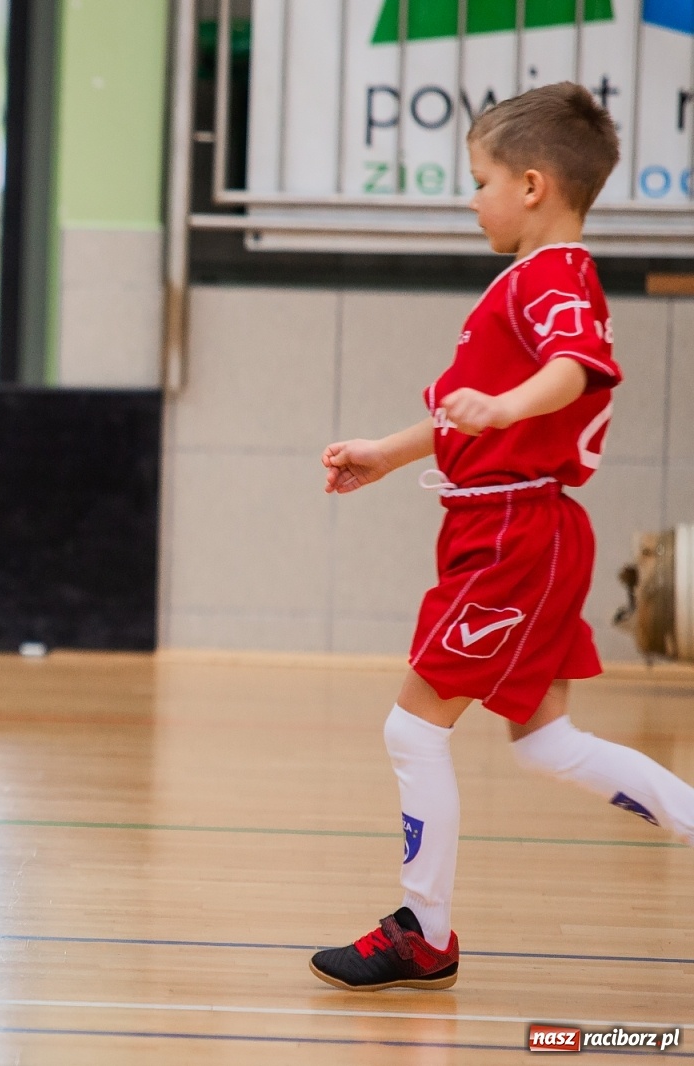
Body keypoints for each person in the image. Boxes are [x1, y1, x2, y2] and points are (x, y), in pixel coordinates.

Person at [309, 82, 694, 991]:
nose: (470, 198)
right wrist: (390, 453)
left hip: (515, 533)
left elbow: (575, 370)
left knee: (413, 728)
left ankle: (424, 932)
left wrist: (512, 402)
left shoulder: (556, 276)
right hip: (514, 525)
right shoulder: (525, 281)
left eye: (477, 180)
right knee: (545, 742)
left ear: (531, 185)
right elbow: (471, 415)